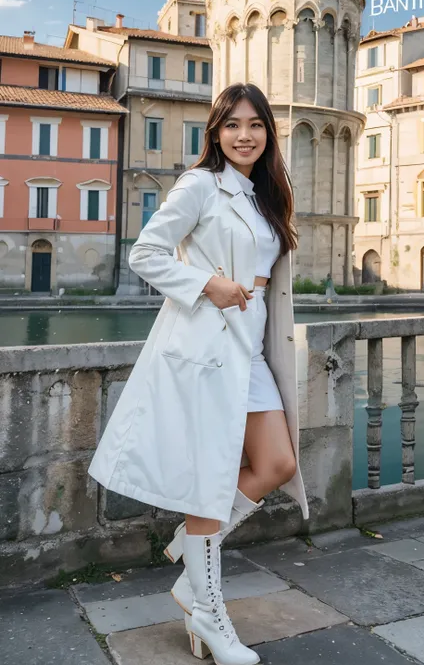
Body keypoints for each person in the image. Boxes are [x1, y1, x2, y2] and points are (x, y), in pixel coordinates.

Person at [88, 83, 308, 665]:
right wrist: (207, 284)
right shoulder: (199, 186)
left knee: (278, 464)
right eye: (232, 125)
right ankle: (210, 615)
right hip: (209, 344)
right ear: (215, 132)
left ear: (268, 132)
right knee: (211, 481)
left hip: (252, 345)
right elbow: (145, 253)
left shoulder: (265, 194)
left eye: (255, 125)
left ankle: (191, 561)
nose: (244, 135)